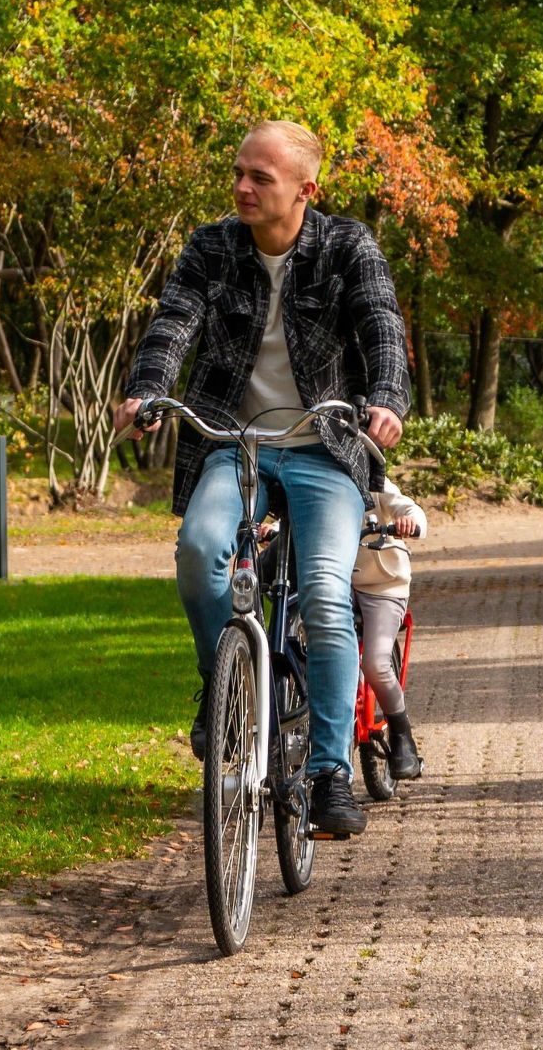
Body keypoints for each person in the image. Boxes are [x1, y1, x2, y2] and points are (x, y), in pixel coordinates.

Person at [114, 119, 410, 840]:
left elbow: (381, 328)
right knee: (198, 552)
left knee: (327, 597)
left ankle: (329, 772)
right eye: (239, 173)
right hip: (234, 444)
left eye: (261, 178)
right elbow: (174, 321)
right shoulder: (211, 247)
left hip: (324, 448)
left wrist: (388, 401)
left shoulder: (347, 246)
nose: (242, 187)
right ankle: (227, 691)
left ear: (306, 191)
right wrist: (148, 389)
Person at [353, 475, 426, 782]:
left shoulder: (373, 480)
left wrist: (409, 521)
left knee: (375, 662)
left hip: (382, 585)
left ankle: (400, 732)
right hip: (336, 583)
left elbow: (408, 508)